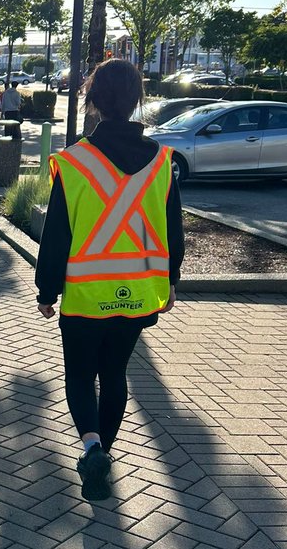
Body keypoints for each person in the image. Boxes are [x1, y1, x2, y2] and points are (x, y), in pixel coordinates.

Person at [35, 58, 185, 501]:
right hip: (139, 291)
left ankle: (92, 446)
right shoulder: (162, 161)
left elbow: (57, 234)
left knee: (80, 376)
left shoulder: (74, 162)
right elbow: (171, 227)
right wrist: (171, 279)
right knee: (115, 373)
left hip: (85, 293)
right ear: (137, 100)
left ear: (93, 100)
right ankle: (103, 456)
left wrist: (47, 289)